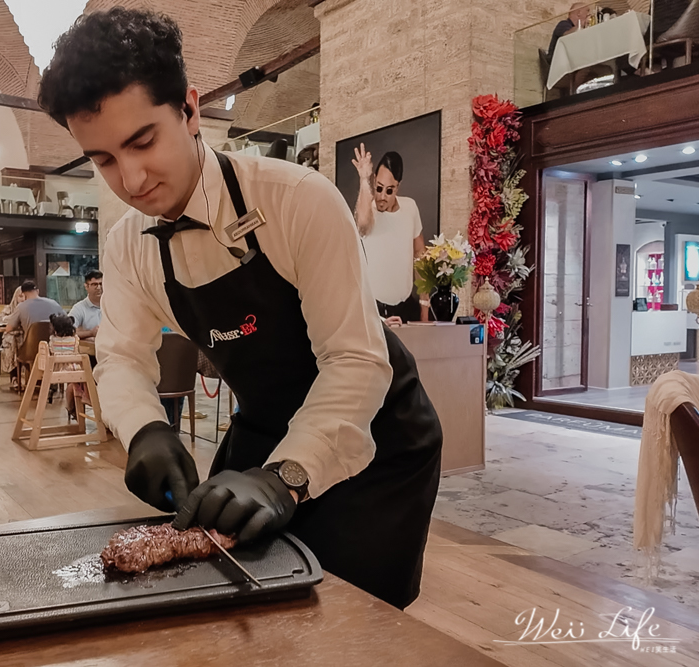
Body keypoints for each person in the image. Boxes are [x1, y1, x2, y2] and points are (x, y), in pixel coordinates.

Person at [38, 7, 442, 609]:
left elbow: (357, 361)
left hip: (376, 438)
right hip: (263, 427)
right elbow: (121, 357)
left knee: (347, 623)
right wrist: (145, 428)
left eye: (143, 140)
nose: (132, 177)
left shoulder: (298, 201)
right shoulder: (128, 244)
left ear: (190, 109)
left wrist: (288, 476)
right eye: (102, 160)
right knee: (233, 607)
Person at [351, 148, 427, 323]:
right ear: (374, 179)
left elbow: (420, 256)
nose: (382, 197)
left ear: (398, 187)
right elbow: (362, 225)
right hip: (376, 311)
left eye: (389, 190)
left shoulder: (410, 208)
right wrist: (364, 179)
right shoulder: (368, 211)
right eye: (379, 188)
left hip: (407, 308)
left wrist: (424, 307)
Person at [0, 286, 26, 390]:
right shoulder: (8, 308)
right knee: (12, 343)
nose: (23, 299)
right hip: (11, 337)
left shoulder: (28, 309)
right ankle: (14, 377)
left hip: (25, 336)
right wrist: (13, 318)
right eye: (20, 296)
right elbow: (0, 320)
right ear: (15, 297)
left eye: (25, 296)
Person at [69, 270, 104, 339]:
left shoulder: (111, 306)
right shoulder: (79, 308)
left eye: (101, 284)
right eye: (94, 284)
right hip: (89, 348)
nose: (99, 288)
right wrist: (91, 333)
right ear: (86, 286)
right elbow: (68, 332)